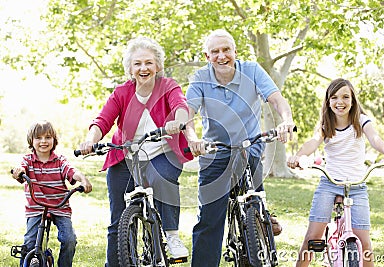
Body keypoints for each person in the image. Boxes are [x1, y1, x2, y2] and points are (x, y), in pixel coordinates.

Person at [184, 29, 296, 267]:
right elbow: (187, 115)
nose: (221, 56)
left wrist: (286, 120)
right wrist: (193, 138)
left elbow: (277, 99)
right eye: (215, 51)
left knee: (257, 208)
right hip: (216, 151)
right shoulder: (199, 79)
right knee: (210, 221)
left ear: (235, 52)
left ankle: (262, 231)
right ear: (207, 56)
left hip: (250, 147)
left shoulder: (252, 70)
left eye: (226, 50)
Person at [79, 36, 193, 266]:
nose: (144, 68)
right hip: (126, 156)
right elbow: (103, 120)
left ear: (158, 66)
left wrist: (177, 122)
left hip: (161, 153)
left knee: (162, 179)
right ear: (130, 68)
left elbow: (181, 106)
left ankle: (171, 235)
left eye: (149, 63)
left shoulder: (168, 86)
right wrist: (90, 140)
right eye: (138, 63)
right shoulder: (122, 92)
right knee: (117, 220)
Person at [287, 78, 384, 267]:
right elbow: (313, 142)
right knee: (312, 237)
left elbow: (375, 138)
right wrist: (297, 156)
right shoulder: (326, 124)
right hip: (330, 184)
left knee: (364, 242)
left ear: (353, 100)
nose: (340, 102)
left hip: (357, 186)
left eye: (346, 97)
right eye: (334, 97)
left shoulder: (361, 121)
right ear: (328, 101)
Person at [11, 120, 92, 267]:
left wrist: (83, 179)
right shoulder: (27, 160)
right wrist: (18, 172)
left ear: (54, 140)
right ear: (31, 140)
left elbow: (71, 171)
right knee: (29, 243)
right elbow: (20, 169)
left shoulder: (59, 160)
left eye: (48, 137)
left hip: (59, 206)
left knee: (69, 240)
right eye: (39, 138)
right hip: (36, 207)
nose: (43, 141)